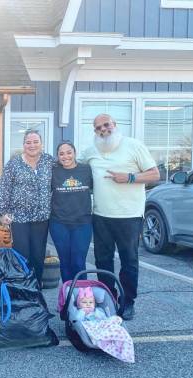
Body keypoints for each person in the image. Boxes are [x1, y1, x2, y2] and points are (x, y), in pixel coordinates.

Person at [81, 114, 159, 320]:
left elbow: (154, 175)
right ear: (95, 131)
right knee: (102, 260)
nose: (103, 129)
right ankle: (108, 298)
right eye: (98, 127)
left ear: (115, 125)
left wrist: (130, 177)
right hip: (100, 215)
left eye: (106, 125)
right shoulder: (90, 151)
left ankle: (127, 302)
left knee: (129, 261)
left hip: (129, 216)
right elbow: (76, 170)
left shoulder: (134, 146)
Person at [0, 130, 53, 285]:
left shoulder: (49, 161)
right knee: (22, 254)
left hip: (42, 217)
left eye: (35, 142)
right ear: (23, 145)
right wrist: (2, 213)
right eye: (28, 142)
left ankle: (36, 289)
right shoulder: (14, 163)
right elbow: (4, 188)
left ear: (41, 144)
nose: (32, 145)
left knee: (38, 254)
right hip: (19, 217)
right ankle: (23, 288)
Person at [50, 141, 93, 283]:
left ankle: (82, 297)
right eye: (61, 154)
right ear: (57, 156)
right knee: (65, 262)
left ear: (74, 153)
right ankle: (68, 297)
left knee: (78, 261)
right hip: (59, 223)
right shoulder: (53, 171)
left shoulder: (86, 170)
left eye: (69, 152)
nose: (65, 156)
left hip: (82, 223)